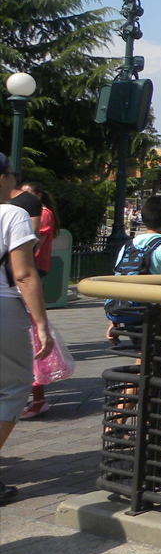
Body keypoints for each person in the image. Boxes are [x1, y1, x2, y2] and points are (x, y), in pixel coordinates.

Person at [0, 153, 53, 505]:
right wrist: (41, 323)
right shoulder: (11, 214)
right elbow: (23, 273)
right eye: (10, 173)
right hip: (3, 307)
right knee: (14, 388)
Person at [105, 195, 161, 366]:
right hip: (154, 311)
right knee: (149, 360)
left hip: (129, 310)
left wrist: (113, 321)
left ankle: (135, 383)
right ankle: (136, 384)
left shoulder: (128, 245)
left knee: (142, 356)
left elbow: (119, 279)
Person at [18, 183, 59, 420]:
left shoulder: (41, 212)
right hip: (24, 272)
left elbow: (35, 241)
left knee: (31, 333)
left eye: (28, 191)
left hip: (31, 269)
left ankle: (37, 398)